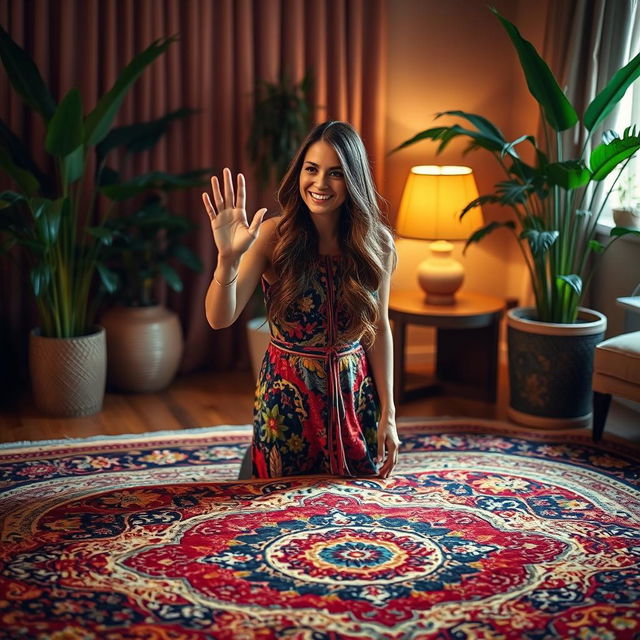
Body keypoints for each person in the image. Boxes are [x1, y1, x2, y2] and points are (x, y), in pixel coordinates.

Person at [202, 120, 399, 479]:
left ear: (353, 180)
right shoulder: (272, 237)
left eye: (336, 173)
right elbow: (220, 317)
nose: (320, 184)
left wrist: (389, 412)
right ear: (299, 173)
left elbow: (380, 329)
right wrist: (227, 259)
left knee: (355, 509)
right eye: (312, 169)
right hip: (287, 403)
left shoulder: (378, 244)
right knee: (278, 505)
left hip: (355, 401)